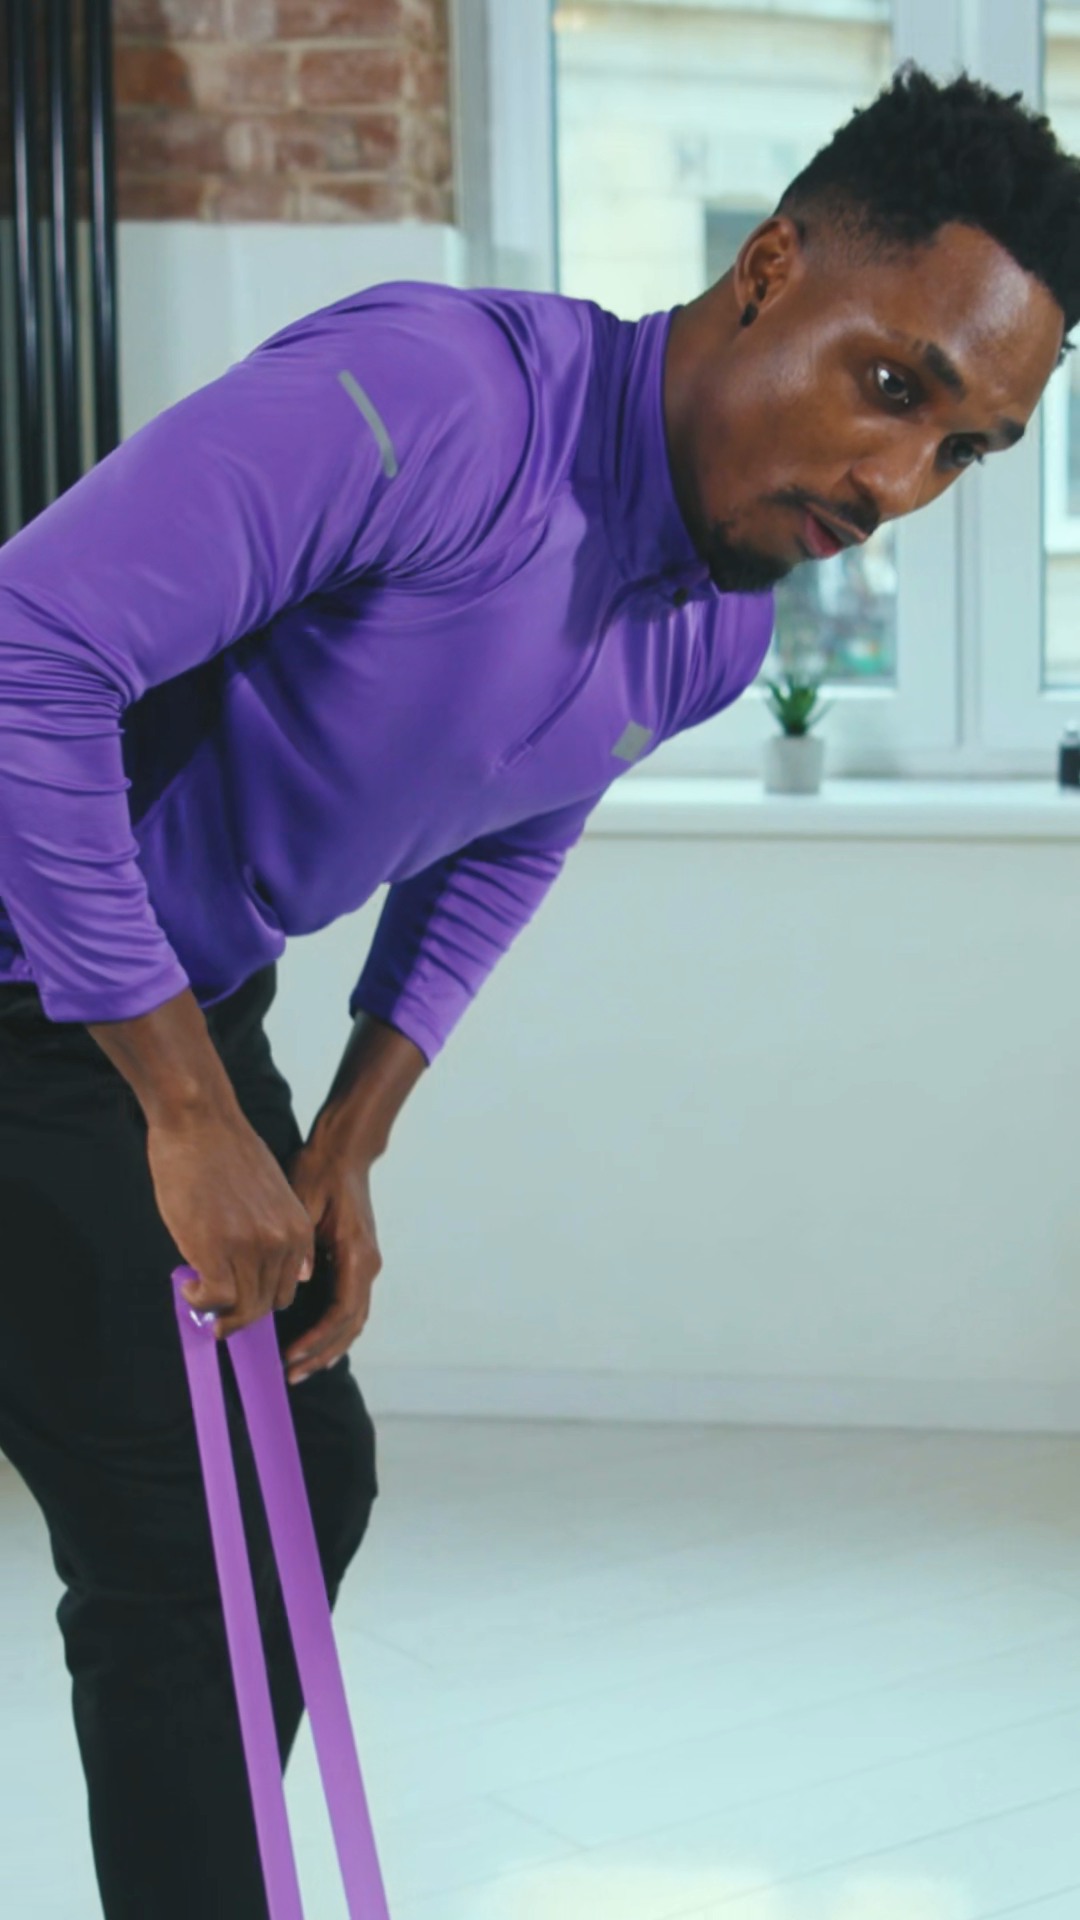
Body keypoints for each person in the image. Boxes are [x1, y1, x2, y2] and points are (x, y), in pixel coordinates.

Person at [0, 61, 1076, 1919]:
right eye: (894, 387)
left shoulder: (720, 616)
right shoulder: (441, 400)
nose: (896, 483)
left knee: (297, 1478)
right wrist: (183, 1110)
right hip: (51, 970)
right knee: (190, 1531)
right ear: (769, 269)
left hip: (168, 992)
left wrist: (348, 1132)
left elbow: (516, 821)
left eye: (964, 450)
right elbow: (28, 651)